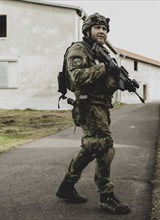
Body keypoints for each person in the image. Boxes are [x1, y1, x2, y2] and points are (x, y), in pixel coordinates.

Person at [56, 12, 130, 214]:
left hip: (101, 107)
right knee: (105, 148)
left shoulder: (100, 53)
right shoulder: (79, 49)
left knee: (90, 148)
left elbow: (104, 83)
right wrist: (104, 68)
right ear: (88, 30)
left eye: (105, 29)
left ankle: (66, 187)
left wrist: (122, 82)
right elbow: (78, 77)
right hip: (88, 107)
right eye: (98, 28)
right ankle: (106, 197)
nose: (102, 32)